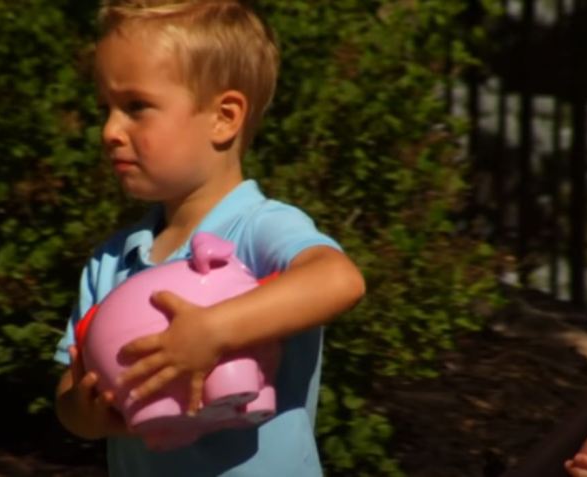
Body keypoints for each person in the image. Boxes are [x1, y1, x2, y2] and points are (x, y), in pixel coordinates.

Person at [52, 1, 365, 475]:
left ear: (224, 116)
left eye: (136, 107)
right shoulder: (112, 260)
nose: (110, 130)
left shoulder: (259, 228)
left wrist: (212, 332)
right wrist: (88, 413)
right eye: (107, 109)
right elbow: (68, 393)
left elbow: (338, 281)